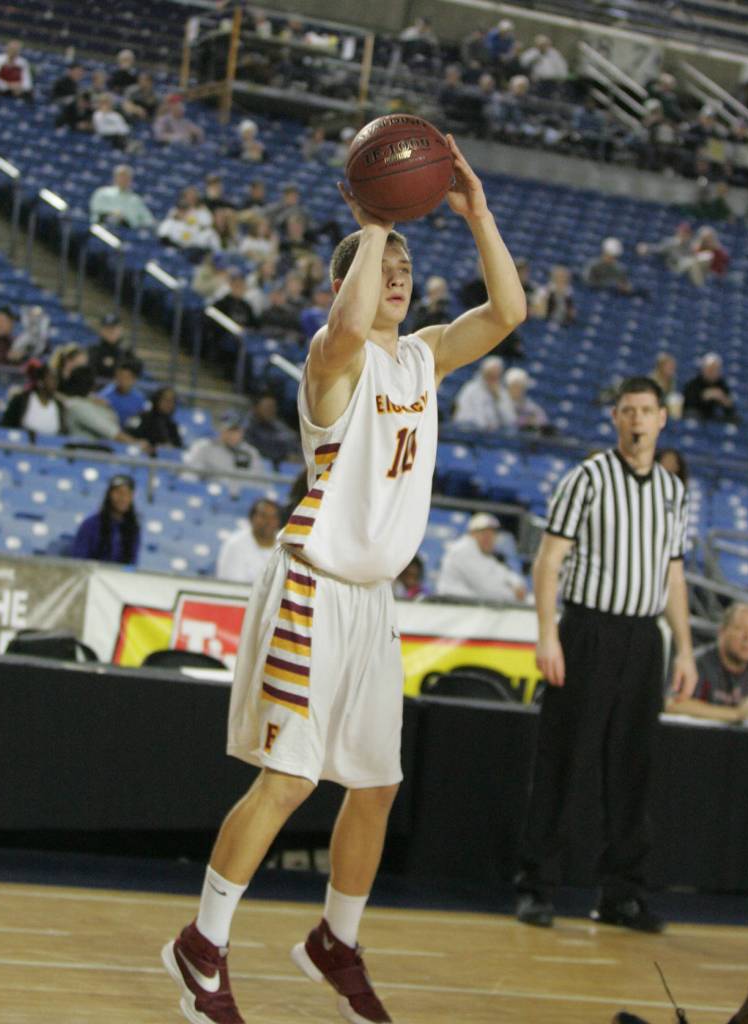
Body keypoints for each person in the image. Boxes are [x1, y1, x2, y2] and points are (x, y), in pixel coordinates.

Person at [161, 133, 526, 1024]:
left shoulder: (422, 355)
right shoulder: (334, 358)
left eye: (405, 265)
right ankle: (201, 945)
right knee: (288, 781)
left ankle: (336, 940)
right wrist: (373, 222)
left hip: (373, 599)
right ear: (347, 281)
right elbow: (352, 325)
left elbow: (507, 313)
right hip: (312, 587)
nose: (397, 274)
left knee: (375, 783)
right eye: (381, 265)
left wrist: (476, 214)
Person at [515, 376, 696, 933]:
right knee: (564, 758)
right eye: (628, 411)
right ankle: (537, 886)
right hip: (588, 631)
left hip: (644, 638)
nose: (638, 420)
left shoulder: (673, 492)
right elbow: (548, 561)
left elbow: (674, 575)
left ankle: (622, 895)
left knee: (632, 768)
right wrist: (547, 634)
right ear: (615, 418)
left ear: (662, 419)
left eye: (646, 411)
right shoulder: (586, 479)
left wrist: (685, 650)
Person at [665, 604, 748, 724]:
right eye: (740, 629)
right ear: (722, 632)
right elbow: (672, 704)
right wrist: (736, 713)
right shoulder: (696, 664)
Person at [437, 513, 526, 602]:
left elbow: (506, 574)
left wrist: (517, 585)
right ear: (472, 534)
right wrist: (513, 594)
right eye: (483, 533)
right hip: (451, 604)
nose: (488, 538)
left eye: (492, 534)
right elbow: (487, 589)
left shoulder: (484, 554)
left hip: (468, 605)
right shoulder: (463, 550)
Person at [69, 474, 141, 565]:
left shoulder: (133, 528)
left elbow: (131, 564)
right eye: (119, 492)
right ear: (109, 495)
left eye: (128, 494)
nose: (123, 498)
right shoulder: (91, 525)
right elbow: (78, 560)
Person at [183, 418, 265, 496]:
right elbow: (189, 475)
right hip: (212, 496)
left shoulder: (250, 452)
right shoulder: (204, 447)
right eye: (229, 430)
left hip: (242, 499)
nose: (232, 434)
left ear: (242, 432)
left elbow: (260, 482)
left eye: (236, 430)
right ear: (220, 429)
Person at [215, 498, 282, 584]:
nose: (268, 521)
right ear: (251, 518)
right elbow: (232, 585)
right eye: (263, 516)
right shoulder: (235, 544)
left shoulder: (287, 546)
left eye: (273, 517)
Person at [0, 360, 66, 437]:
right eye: (52, 379)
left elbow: (63, 434)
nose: (55, 382)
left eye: (56, 379)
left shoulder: (59, 405)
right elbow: (5, 426)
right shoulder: (21, 400)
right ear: (40, 382)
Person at [452, 354, 516, 430]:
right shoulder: (470, 389)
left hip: (494, 433)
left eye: (496, 374)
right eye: (491, 374)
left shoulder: (502, 392)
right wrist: (482, 426)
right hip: (471, 430)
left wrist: (498, 399)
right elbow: (462, 415)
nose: (493, 377)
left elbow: (510, 420)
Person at [239, 393, 298, 466]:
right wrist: (283, 455)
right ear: (256, 408)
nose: (270, 410)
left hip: (278, 465)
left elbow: (292, 440)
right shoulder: (246, 425)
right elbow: (250, 449)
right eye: (267, 407)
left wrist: (292, 453)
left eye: (273, 407)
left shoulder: (278, 426)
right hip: (253, 464)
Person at [90, 164, 154, 229]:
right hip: (103, 228)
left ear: (130, 180)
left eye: (126, 177)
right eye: (121, 176)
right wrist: (114, 214)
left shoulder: (135, 199)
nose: (123, 179)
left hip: (127, 231)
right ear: (115, 178)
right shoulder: (102, 193)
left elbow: (149, 220)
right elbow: (96, 211)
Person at [127, 386, 182, 454]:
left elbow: (178, 448)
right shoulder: (142, 417)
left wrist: (169, 448)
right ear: (157, 400)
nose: (169, 404)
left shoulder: (172, 425)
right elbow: (126, 435)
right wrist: (137, 442)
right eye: (166, 400)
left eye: (172, 401)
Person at [682, 352, 736, 421]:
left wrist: (723, 399)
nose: (712, 372)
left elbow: (730, 408)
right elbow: (688, 404)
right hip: (698, 416)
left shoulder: (722, 384)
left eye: (715, 369)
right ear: (703, 369)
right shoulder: (693, 384)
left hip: (713, 416)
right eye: (710, 369)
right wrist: (703, 396)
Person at [97, 358, 146, 427]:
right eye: (119, 376)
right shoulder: (104, 396)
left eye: (126, 377)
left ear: (134, 379)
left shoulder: (139, 398)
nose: (121, 380)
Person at [88, 313, 136, 380]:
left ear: (120, 330)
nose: (110, 331)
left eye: (113, 328)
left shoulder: (127, 353)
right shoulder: (94, 350)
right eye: (107, 328)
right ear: (101, 331)